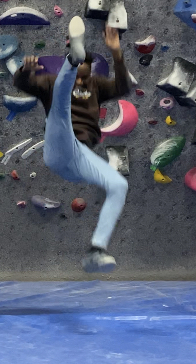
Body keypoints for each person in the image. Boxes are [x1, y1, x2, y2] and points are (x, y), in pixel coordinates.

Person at [13, 17, 132, 273]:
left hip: (81, 157)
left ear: (91, 68)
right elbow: (21, 83)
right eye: (79, 63)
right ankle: (70, 58)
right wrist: (26, 69)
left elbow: (124, 87)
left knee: (119, 185)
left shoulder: (96, 86)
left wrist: (117, 53)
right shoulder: (49, 82)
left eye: (84, 64)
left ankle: (96, 250)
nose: (84, 71)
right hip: (59, 148)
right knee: (60, 106)